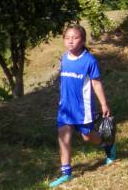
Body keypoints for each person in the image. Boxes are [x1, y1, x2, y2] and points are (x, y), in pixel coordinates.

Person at [48, 24, 116, 188]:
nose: (71, 41)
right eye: (67, 38)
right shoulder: (64, 58)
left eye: (75, 38)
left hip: (82, 109)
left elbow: (96, 83)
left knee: (87, 136)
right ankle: (66, 173)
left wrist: (104, 103)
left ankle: (108, 143)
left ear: (83, 40)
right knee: (63, 137)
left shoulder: (89, 60)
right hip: (65, 108)